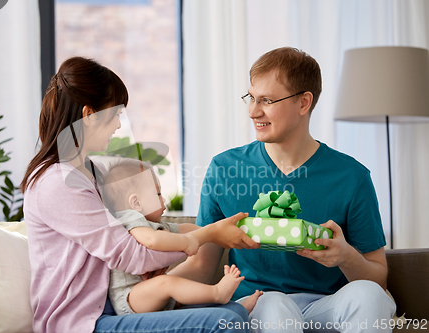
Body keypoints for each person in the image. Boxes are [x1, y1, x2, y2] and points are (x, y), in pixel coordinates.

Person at [20, 56, 260, 333]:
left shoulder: (94, 174)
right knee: (226, 320)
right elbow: (133, 255)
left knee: (232, 309)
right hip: (82, 323)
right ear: (89, 115)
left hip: (113, 309)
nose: (118, 126)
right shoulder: (57, 183)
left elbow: (140, 229)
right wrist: (208, 235)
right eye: (115, 115)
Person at [169, 47, 396, 332]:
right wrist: (150, 289)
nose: (253, 111)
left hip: (326, 306)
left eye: (266, 100)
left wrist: (346, 257)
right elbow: (203, 266)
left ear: (303, 103)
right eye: (251, 98)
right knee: (274, 304)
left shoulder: (352, 176)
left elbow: (379, 279)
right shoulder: (224, 169)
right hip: (259, 304)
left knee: (369, 295)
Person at [100, 158, 263, 316]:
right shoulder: (128, 218)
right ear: (136, 203)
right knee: (168, 283)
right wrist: (188, 242)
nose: (163, 199)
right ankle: (217, 293)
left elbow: (189, 229)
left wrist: (218, 232)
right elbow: (152, 240)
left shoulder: (156, 224)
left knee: (186, 294)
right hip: (130, 299)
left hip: (150, 292)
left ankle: (236, 310)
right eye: (157, 193)